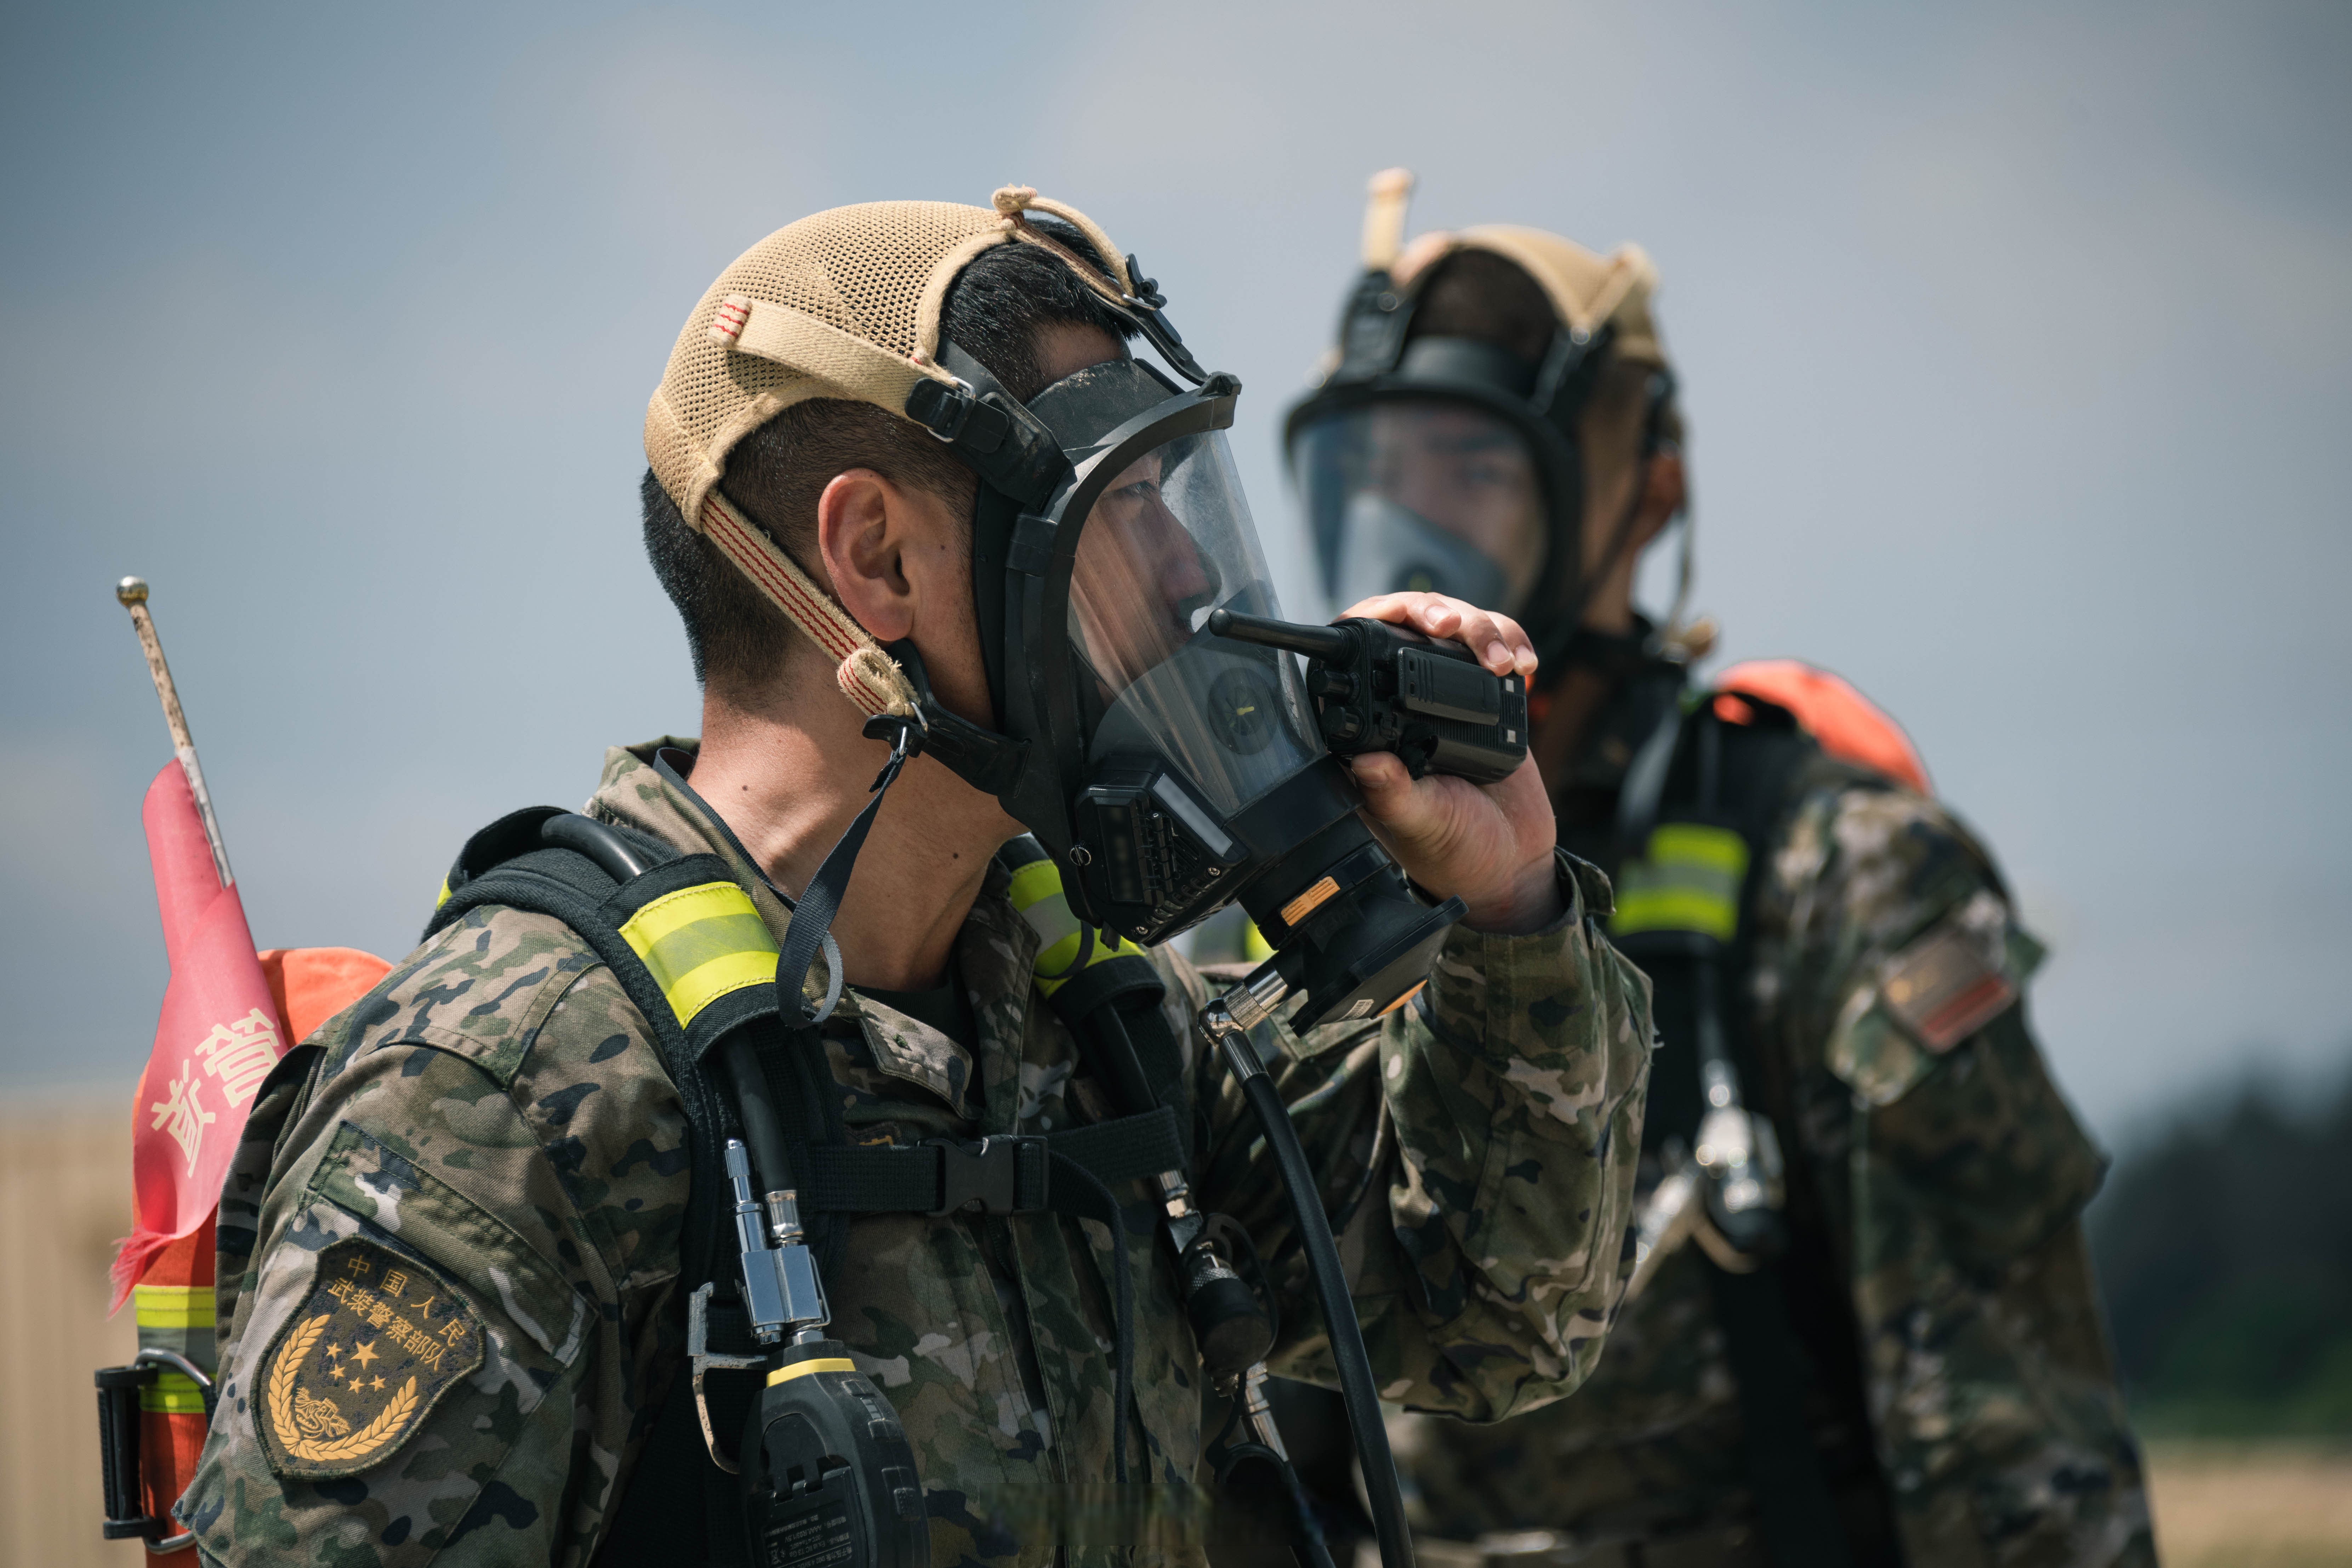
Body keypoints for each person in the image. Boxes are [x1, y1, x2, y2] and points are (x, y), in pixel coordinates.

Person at [170, 188, 1656, 1567]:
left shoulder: (1097, 1027)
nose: (1191, 575)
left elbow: (1497, 1314)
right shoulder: (514, 1089)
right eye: (1125, 507)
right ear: (875, 561)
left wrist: (1512, 908)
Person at [1276, 172, 2154, 1568]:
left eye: (1474, 474)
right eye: (1369, 478)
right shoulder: (1278, 895)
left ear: (1643, 499)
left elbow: (2015, 1477)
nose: (1413, 543)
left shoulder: (1841, 874)